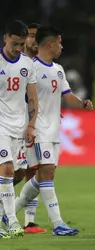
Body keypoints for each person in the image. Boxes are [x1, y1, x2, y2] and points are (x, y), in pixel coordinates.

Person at [12, 25, 93, 236]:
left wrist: (82, 103)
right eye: (60, 43)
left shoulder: (58, 69)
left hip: (54, 130)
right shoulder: (30, 67)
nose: (62, 47)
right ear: (51, 44)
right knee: (45, 174)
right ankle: (58, 224)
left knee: (41, 178)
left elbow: (68, 96)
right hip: (37, 129)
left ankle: (8, 213)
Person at [0, 20, 38, 239]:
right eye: (15, 44)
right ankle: (12, 221)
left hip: (20, 126)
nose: (18, 49)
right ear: (5, 38)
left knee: (19, 173)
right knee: (5, 169)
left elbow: (32, 98)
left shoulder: (27, 64)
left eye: (21, 45)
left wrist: (31, 125)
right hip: (1, 126)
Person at [11, 22, 47, 234]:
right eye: (32, 36)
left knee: (35, 170)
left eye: (37, 36)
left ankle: (29, 221)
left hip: (32, 125)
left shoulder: (42, 64)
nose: (34, 40)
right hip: (13, 124)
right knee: (15, 172)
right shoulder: (17, 63)